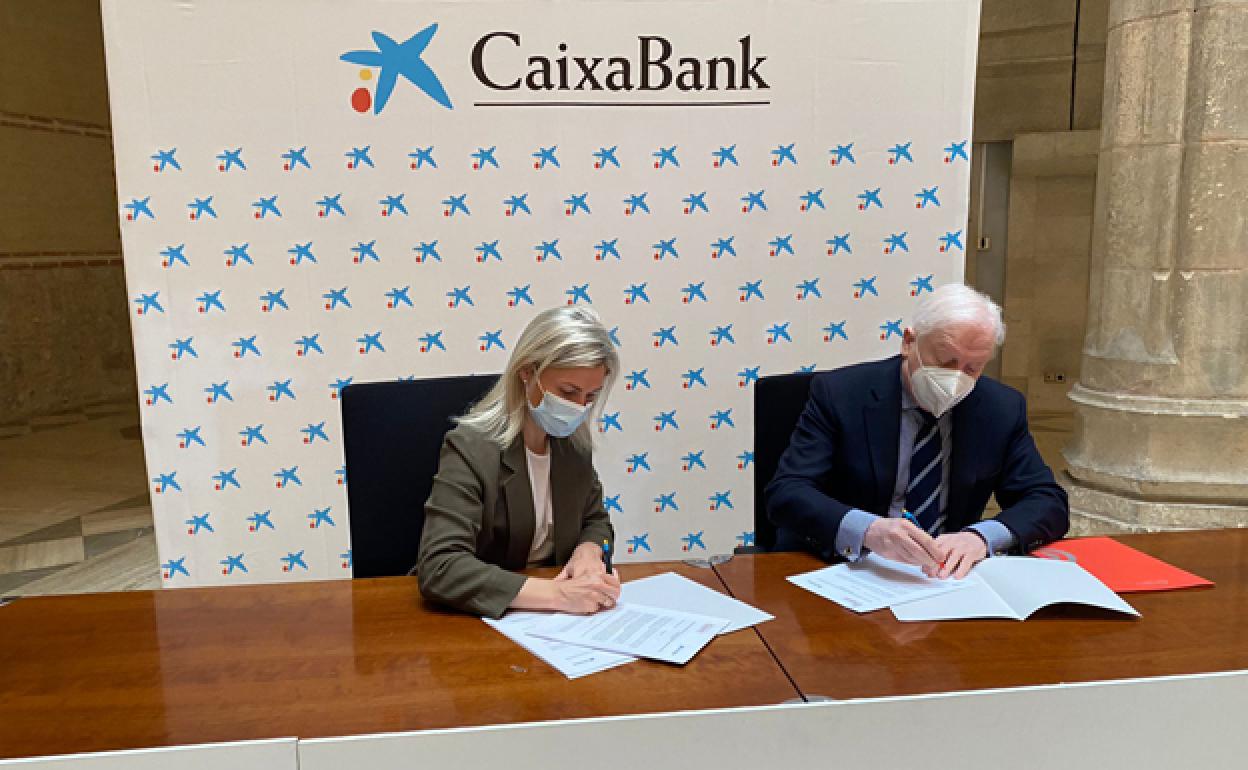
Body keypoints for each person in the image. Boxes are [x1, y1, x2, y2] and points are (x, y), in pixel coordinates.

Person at [766, 283, 1068, 579]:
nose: (956, 378)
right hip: (847, 570)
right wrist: (869, 531)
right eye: (946, 361)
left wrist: (980, 537)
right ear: (909, 342)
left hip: (943, 577)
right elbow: (788, 492)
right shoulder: (841, 394)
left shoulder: (1000, 408)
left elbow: (1046, 500)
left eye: (972, 368)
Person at [417, 306, 622, 618]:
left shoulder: (572, 447)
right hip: (484, 617)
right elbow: (440, 566)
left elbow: (596, 521)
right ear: (527, 371)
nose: (579, 408)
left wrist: (590, 551)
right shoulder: (470, 448)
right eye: (568, 391)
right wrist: (557, 595)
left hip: (557, 621)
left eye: (591, 396)